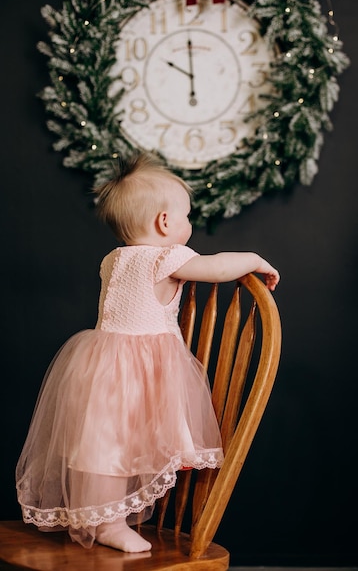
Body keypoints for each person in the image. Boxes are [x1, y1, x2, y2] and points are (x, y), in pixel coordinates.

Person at [16, 154, 279, 554]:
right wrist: (255, 260)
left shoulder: (113, 259)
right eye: (187, 216)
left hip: (100, 362)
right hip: (143, 368)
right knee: (127, 443)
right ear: (164, 222)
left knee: (104, 446)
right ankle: (109, 522)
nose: (189, 225)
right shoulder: (167, 257)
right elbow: (216, 267)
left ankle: (103, 518)